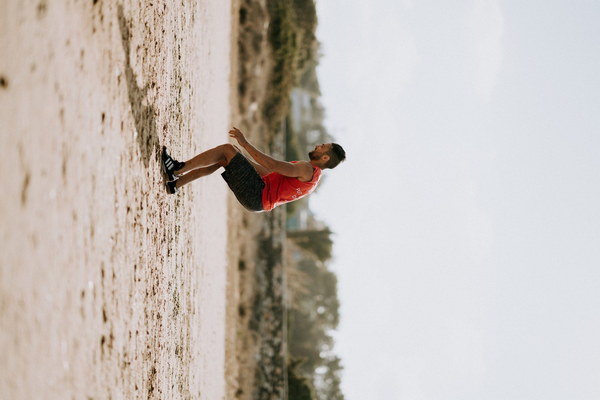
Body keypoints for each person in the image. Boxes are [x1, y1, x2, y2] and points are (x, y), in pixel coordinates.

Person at [161, 127, 346, 212]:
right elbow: (267, 174)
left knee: (226, 149)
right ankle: (176, 184)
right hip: (257, 200)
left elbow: (271, 165)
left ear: (325, 157)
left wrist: (244, 143)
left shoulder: (306, 169)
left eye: (322, 146)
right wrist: (242, 157)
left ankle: (176, 170)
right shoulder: (312, 181)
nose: (318, 145)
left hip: (257, 194)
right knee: (225, 159)